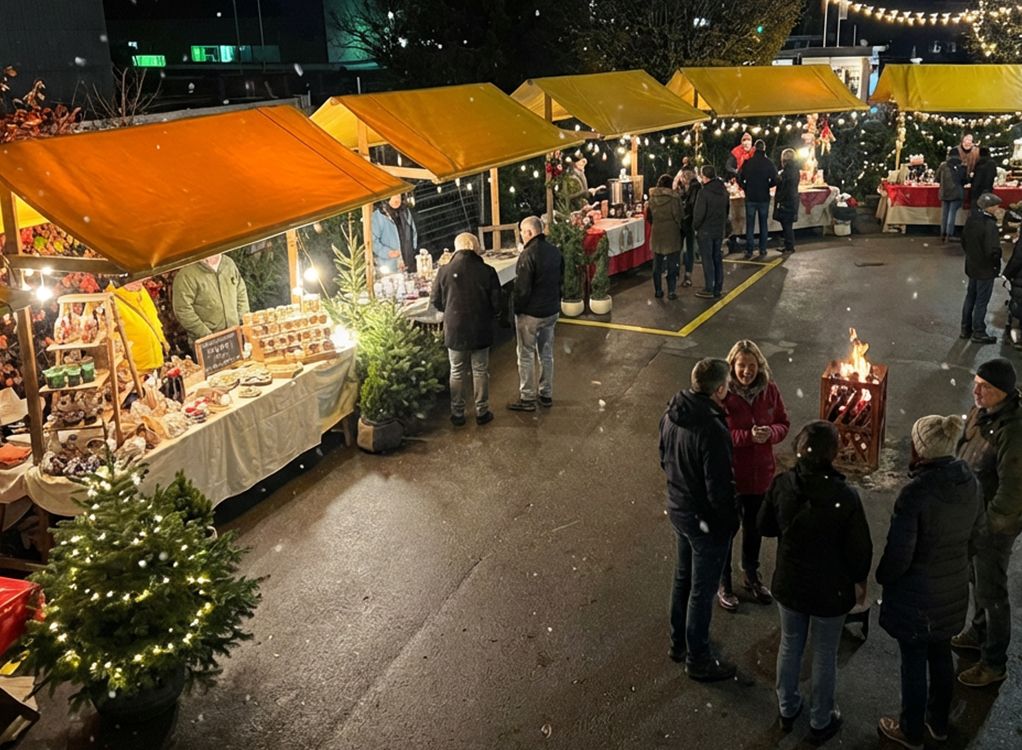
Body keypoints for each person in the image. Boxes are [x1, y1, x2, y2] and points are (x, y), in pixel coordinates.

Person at [758, 421, 873, 742]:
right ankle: (821, 719)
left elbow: (764, 525)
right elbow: (859, 549)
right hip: (829, 590)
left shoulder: (783, 484)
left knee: (791, 644)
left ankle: (787, 706)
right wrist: (859, 581)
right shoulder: (845, 496)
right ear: (832, 455)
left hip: (790, 584)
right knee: (824, 653)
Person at [875, 415, 982, 749]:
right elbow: (976, 536)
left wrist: (883, 577)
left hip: (917, 596)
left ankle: (911, 731)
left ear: (920, 449)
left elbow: (899, 555)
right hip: (951, 590)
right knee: (940, 655)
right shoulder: (971, 483)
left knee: (914, 660)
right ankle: (938, 722)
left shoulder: (916, 493)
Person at [660, 358, 739, 682]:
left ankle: (679, 643)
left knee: (684, 579)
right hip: (703, 519)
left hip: (679, 509)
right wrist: (729, 522)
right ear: (719, 389)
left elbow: (663, 457)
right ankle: (699, 658)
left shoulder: (672, 413)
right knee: (701, 591)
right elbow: (718, 487)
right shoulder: (712, 428)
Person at [953, 358, 1022, 687]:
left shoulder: (1014, 431)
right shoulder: (981, 410)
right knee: (975, 580)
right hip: (973, 516)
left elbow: (1012, 493)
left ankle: (993, 663)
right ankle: (978, 632)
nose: (977, 391)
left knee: (992, 592)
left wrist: (986, 528)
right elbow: (963, 447)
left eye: (986, 388)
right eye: (976, 382)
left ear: (1004, 394)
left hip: (993, 527)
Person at [717, 340, 790, 612]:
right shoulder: (723, 394)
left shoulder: (769, 390)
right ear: (732, 365)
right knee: (727, 531)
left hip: (761, 477)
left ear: (759, 366)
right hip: (733, 476)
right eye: (741, 365)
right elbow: (720, 432)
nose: (746, 371)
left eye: (751, 365)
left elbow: (783, 422)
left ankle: (751, 574)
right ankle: (723, 582)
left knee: (755, 528)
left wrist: (771, 433)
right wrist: (748, 437)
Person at [430, 232, 502, 427]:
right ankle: (482, 411)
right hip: (480, 326)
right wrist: (492, 315)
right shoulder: (487, 271)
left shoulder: (444, 271)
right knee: (480, 370)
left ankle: (458, 413)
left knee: (457, 370)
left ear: (456, 248)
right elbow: (497, 303)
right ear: (475, 247)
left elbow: (435, 300)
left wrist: (451, 311)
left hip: (455, 328)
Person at [508, 216, 562, 412]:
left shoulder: (527, 255)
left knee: (526, 354)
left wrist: (516, 310)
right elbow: (560, 279)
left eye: (522, 232)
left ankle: (527, 397)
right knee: (546, 353)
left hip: (531, 314)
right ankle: (546, 393)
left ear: (529, 233)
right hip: (551, 310)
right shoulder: (554, 251)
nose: (521, 235)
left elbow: (522, 289)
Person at [171, 253, 250, 347]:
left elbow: (241, 291)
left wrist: (241, 321)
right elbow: (182, 310)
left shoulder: (228, 263)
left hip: (235, 336)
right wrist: (207, 335)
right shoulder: (186, 275)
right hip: (207, 345)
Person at [960, 192, 1003, 344]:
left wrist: (971, 256)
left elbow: (964, 240)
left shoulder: (972, 220)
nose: (998, 208)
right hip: (985, 268)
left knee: (970, 296)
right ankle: (979, 331)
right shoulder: (990, 225)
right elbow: (993, 250)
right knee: (982, 300)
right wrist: (996, 264)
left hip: (972, 265)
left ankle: (965, 328)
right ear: (989, 208)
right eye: (996, 206)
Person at [107, 279, 169, 374]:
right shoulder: (109, 301)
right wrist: (126, 371)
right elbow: (111, 343)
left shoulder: (140, 291)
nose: (140, 281)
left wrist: (163, 341)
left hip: (156, 365)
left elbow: (153, 320)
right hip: (136, 373)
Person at [693, 165, 729, 300]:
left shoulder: (704, 193)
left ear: (704, 177)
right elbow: (727, 209)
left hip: (706, 230)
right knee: (717, 257)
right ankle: (718, 286)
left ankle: (709, 287)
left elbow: (699, 214)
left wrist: (695, 226)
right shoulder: (723, 190)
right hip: (719, 229)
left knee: (707, 259)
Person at [739, 139, 778, 259]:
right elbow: (776, 179)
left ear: (754, 149)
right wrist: (768, 185)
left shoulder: (747, 163)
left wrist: (745, 187)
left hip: (750, 197)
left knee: (750, 225)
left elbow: (739, 177)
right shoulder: (769, 163)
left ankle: (749, 250)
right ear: (764, 149)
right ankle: (763, 249)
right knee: (763, 224)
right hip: (763, 197)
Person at [647, 174, 683, 300]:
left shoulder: (651, 198)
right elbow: (678, 215)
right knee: (672, 263)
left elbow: (649, 217)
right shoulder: (674, 198)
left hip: (657, 231)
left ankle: (658, 290)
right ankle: (671, 291)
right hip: (671, 231)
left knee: (657, 263)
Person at [371, 194, 418, 273]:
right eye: (393, 196)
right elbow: (373, 241)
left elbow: (413, 231)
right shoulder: (378, 216)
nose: (396, 200)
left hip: (408, 261)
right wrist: (388, 253)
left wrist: (412, 249)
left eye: (398, 196)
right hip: (389, 265)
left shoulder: (405, 211)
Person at [937, 147, 967, 242]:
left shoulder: (943, 166)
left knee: (944, 214)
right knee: (952, 213)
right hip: (956, 192)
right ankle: (949, 234)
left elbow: (937, 177)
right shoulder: (961, 166)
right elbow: (964, 181)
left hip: (944, 192)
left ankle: (942, 233)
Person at [774, 148, 800, 254]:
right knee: (788, 224)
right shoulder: (795, 171)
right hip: (793, 199)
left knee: (786, 225)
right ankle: (788, 245)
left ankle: (789, 246)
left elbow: (782, 187)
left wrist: (779, 200)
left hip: (786, 201)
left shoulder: (785, 173)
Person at [679, 168, 700, 287]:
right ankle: (687, 274)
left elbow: (690, 205)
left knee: (682, 248)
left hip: (687, 221)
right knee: (689, 248)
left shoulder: (692, 189)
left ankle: (681, 273)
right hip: (690, 221)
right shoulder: (697, 188)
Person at [970, 148, 997, 214]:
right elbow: (992, 176)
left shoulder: (978, 163)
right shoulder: (992, 163)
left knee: (975, 212)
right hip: (986, 191)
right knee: (985, 212)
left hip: (975, 191)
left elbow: (974, 177)